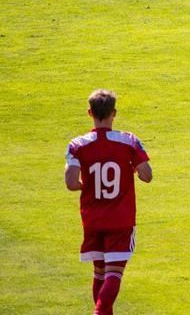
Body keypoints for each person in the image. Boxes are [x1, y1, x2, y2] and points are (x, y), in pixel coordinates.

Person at [65, 89, 153, 315]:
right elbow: (146, 176)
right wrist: (131, 167)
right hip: (120, 219)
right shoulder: (129, 141)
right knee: (114, 274)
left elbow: (71, 182)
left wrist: (89, 184)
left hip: (92, 218)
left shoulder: (77, 144)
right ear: (114, 113)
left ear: (89, 112)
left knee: (99, 273)